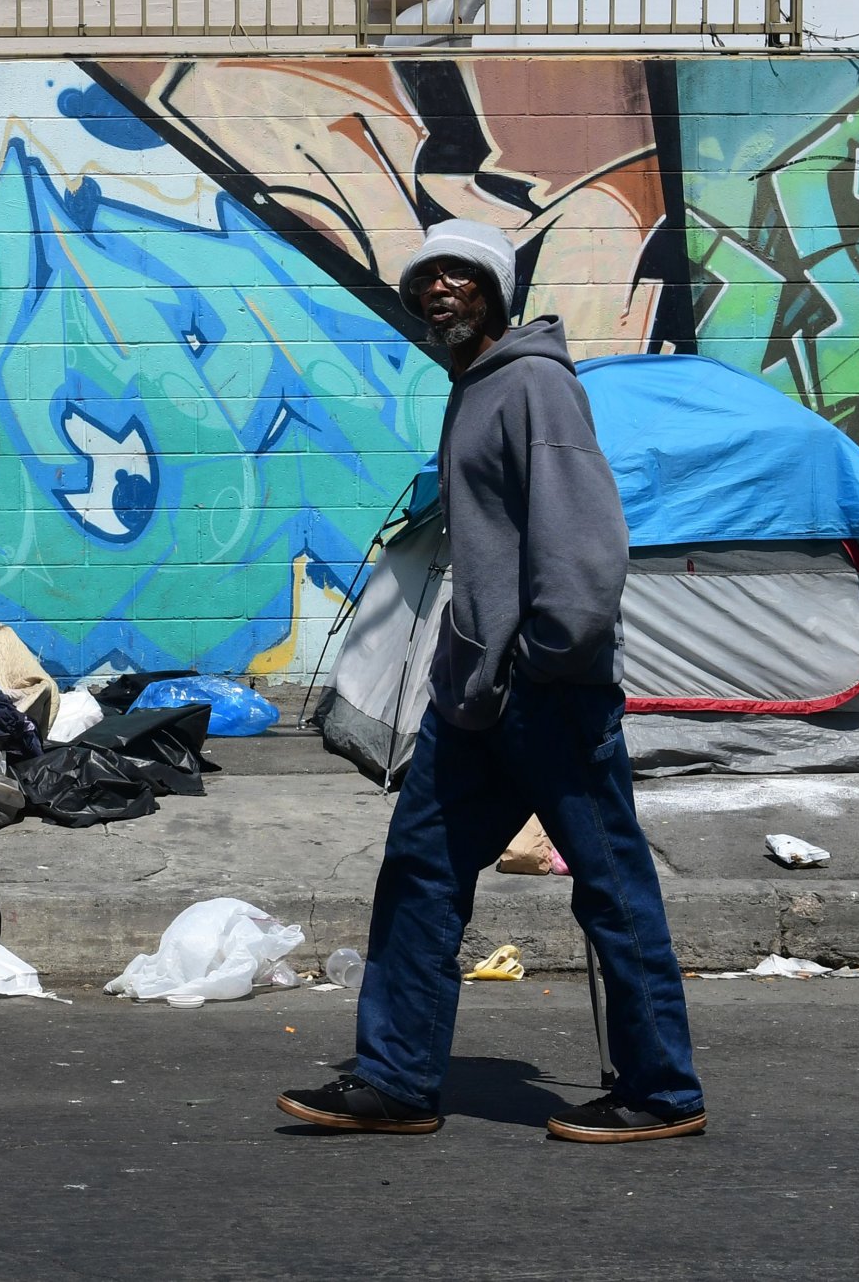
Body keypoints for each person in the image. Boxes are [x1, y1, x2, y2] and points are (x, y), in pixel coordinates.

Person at [277, 219, 706, 1144]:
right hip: (473, 697)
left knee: (611, 887)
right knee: (420, 871)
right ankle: (396, 1079)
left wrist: (544, 660)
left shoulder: (534, 388)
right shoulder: (471, 388)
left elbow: (587, 545)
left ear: (495, 294)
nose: (438, 291)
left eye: (459, 278)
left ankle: (662, 1091)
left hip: (547, 693)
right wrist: (475, 670)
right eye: (424, 278)